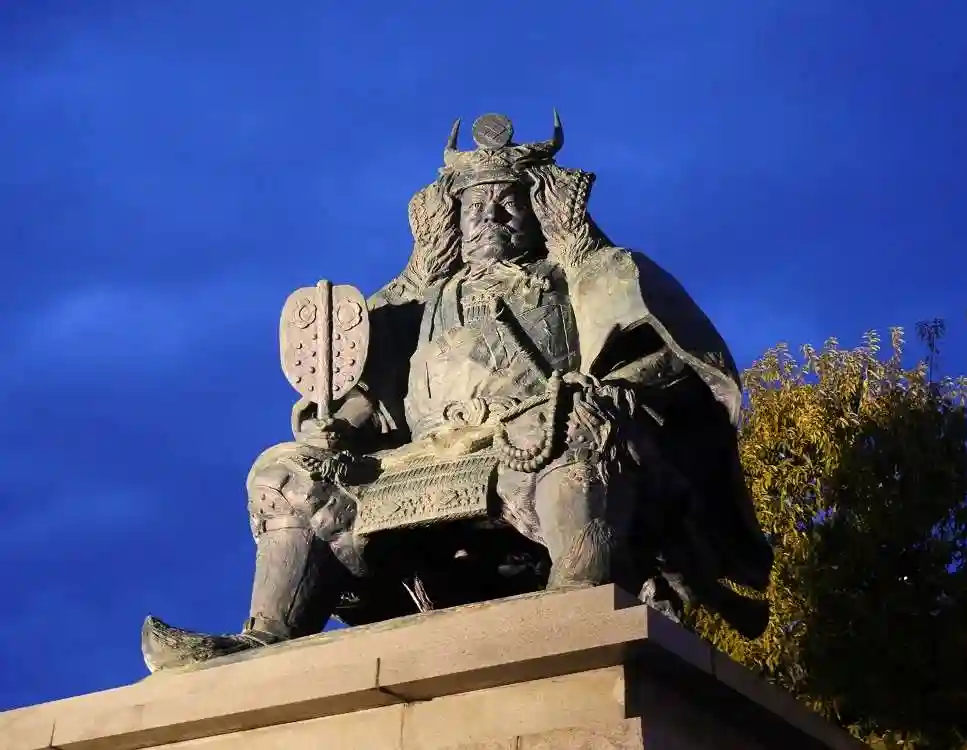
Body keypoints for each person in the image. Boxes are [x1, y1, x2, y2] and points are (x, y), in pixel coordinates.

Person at [141, 113, 773, 672]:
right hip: (425, 455)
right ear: (453, 217)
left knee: (578, 430)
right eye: (475, 208)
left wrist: (599, 391)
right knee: (289, 468)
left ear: (540, 211)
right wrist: (336, 429)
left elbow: (665, 358)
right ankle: (268, 633)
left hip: (536, 439)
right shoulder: (415, 304)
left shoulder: (589, 274)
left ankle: (578, 599)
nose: (490, 218)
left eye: (508, 204)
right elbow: (370, 396)